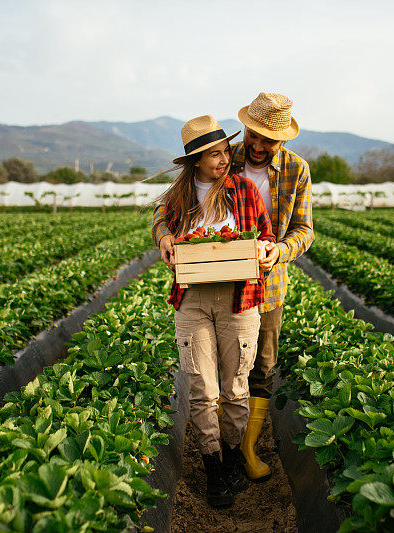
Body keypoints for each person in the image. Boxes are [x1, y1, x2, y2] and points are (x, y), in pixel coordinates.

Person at [154, 93, 314, 482]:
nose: (256, 146)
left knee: (258, 368)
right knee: (213, 376)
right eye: (252, 136)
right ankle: (220, 454)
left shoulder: (296, 170)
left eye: (267, 141)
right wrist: (163, 235)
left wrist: (277, 250)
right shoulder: (227, 156)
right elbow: (168, 206)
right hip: (206, 286)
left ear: (282, 141)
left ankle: (245, 449)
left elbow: (304, 229)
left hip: (266, 284)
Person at [151, 115, 276, 508]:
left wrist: (263, 250)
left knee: (236, 385)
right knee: (204, 390)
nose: (225, 159)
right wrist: (165, 238)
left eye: (225, 151)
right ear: (196, 160)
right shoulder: (177, 200)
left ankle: (234, 452)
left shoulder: (242, 190)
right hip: (192, 300)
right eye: (215, 155)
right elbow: (161, 225)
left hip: (239, 299)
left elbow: (267, 234)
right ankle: (213, 467)